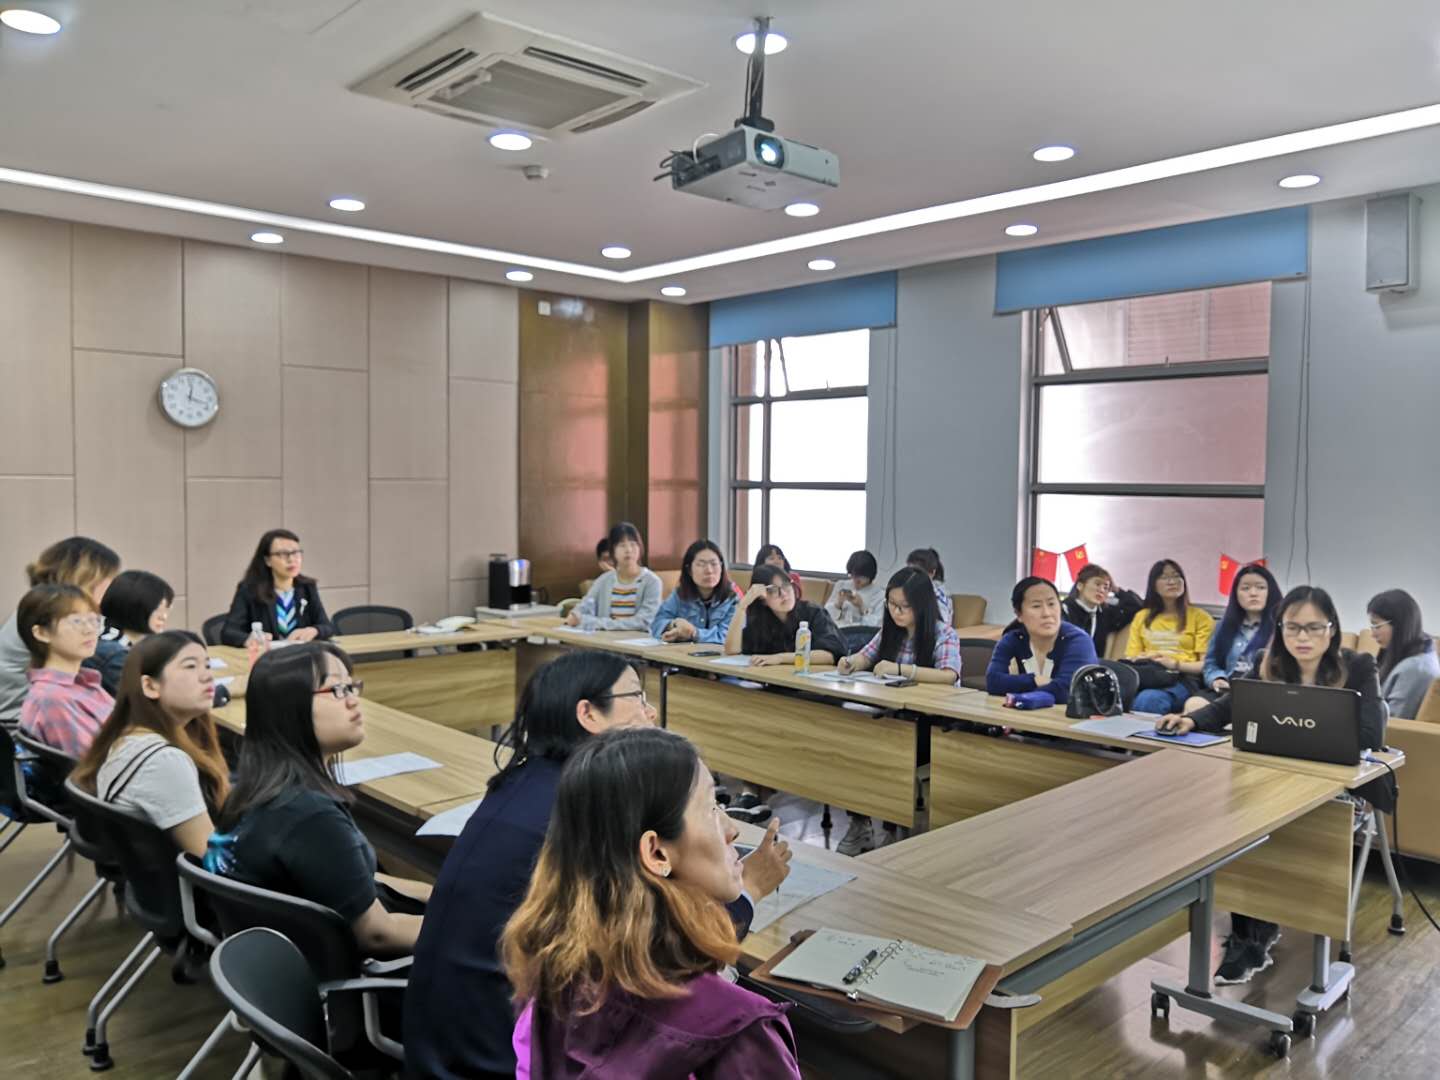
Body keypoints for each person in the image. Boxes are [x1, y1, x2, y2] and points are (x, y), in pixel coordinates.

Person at [404, 653, 791, 1080]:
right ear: (588, 713)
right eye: (637, 697)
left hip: (456, 1045)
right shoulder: (584, 820)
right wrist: (748, 891)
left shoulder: (527, 784)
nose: (651, 713)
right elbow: (657, 957)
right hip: (494, 1055)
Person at [501, 727, 802, 1079]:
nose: (731, 828)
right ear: (656, 853)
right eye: (711, 808)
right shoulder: (739, 1032)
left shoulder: (556, 981)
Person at [1157, 585, 1387, 984]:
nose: (1302, 637)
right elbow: (1231, 705)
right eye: (1292, 627)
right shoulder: (1269, 662)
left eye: (1313, 627)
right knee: (1237, 816)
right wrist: (1192, 720)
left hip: (1334, 788)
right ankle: (1249, 936)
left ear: (1331, 629)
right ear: (1280, 629)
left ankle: (1262, 931)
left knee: (1273, 824)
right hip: (1270, 782)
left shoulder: (1359, 667)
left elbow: (1370, 733)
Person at [205, 643, 430, 956]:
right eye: (337, 689)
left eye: (351, 686)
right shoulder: (307, 814)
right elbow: (378, 934)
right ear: (289, 707)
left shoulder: (259, 789)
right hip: (346, 973)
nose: (353, 700)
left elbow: (358, 878)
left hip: (271, 960)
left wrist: (441, 895)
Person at [833, 566, 962, 855]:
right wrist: (850, 662)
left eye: (904, 606)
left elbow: (949, 675)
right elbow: (865, 657)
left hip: (927, 725)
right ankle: (860, 823)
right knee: (851, 741)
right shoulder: (890, 631)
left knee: (886, 747)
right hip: (888, 716)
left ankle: (893, 828)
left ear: (922, 606)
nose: (896, 612)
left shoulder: (944, 634)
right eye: (892, 604)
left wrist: (903, 669)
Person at [71, 631, 228, 857]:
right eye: (190, 666)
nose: (207, 677)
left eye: (207, 666)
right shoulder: (164, 761)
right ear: (150, 686)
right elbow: (212, 859)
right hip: (185, 878)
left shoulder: (129, 736)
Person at [0, 536, 120, 725]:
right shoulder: (48, 611)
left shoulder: (41, 603)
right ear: (85, 577)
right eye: (106, 579)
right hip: (25, 723)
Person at [16, 584, 114, 757]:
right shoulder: (52, 698)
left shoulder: (84, 682)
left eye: (94, 620)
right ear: (41, 633)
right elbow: (93, 764)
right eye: (76, 621)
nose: (89, 630)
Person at [986, 576, 1099, 705]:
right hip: (1023, 715)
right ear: (1019, 614)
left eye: (1051, 604)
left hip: (1067, 717)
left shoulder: (1078, 641)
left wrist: (1017, 694)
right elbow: (993, 682)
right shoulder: (1013, 639)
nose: (1046, 613)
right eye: (1036, 606)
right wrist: (1034, 680)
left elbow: (1065, 691)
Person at [1182, 564, 1281, 712]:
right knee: (1193, 705)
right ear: (1236, 594)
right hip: (1227, 690)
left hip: (1264, 693)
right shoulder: (1224, 626)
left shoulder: (1282, 627)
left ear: (1271, 592)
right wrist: (1217, 679)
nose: (1253, 593)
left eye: (1260, 587)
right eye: (1245, 588)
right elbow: (1211, 663)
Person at [1124, 559, 1214, 715]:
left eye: (1176, 576)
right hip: (1149, 674)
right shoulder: (1142, 617)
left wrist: (1174, 664)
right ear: (1153, 585)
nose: (1172, 582)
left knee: (1149, 700)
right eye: (1164, 577)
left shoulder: (1200, 617)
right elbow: (1131, 657)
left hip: (1182, 677)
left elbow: (1206, 665)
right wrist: (1148, 657)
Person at [220, 529, 334, 647]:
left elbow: (327, 626)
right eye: (282, 554)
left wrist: (314, 630)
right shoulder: (249, 590)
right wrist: (248, 639)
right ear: (267, 560)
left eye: (296, 553)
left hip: (302, 654)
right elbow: (229, 632)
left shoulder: (307, 587)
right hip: (268, 656)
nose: (291, 559)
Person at [724, 564, 845, 666]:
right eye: (773, 590)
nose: (784, 594)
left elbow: (830, 655)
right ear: (762, 599)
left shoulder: (813, 612)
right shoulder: (760, 621)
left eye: (786, 585)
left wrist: (780, 658)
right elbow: (732, 650)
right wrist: (742, 605)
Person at [566, 523, 663, 632]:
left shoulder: (652, 581)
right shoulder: (604, 580)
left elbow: (643, 621)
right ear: (613, 551)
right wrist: (575, 614)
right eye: (622, 545)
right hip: (605, 640)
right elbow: (585, 605)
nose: (628, 550)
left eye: (633, 544)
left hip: (637, 641)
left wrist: (596, 623)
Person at [92, 569, 175, 695]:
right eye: (157, 609)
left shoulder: (111, 638)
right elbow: (139, 699)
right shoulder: (114, 652)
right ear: (134, 606)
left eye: (166, 610)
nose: (163, 617)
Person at [650, 540, 740, 645]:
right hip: (682, 653)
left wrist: (694, 633)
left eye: (714, 564)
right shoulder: (680, 595)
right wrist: (673, 624)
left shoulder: (733, 598)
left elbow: (728, 637)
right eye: (701, 564)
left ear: (721, 567)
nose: (709, 570)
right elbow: (656, 624)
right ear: (689, 570)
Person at [1367, 589, 1438, 720]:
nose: (1372, 634)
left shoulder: (1414, 669)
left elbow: (1394, 722)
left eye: (1377, 626)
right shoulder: (1418, 655)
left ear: (1400, 624)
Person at [1061, 564, 1141, 653]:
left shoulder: (1105, 614)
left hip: (1095, 661)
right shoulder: (1064, 609)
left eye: (1106, 587)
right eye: (1097, 584)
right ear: (1080, 586)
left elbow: (1137, 606)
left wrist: (1116, 590)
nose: (1102, 590)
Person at [825, 550, 886, 651]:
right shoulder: (841, 585)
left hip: (860, 639)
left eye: (860, 577)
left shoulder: (880, 594)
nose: (855, 580)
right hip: (837, 633)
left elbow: (876, 627)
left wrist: (861, 607)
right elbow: (825, 616)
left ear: (870, 575)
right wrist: (838, 604)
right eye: (853, 575)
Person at [906, 547, 954, 627]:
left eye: (918, 572)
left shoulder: (939, 597)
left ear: (932, 573)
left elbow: (942, 626)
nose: (913, 576)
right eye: (909, 571)